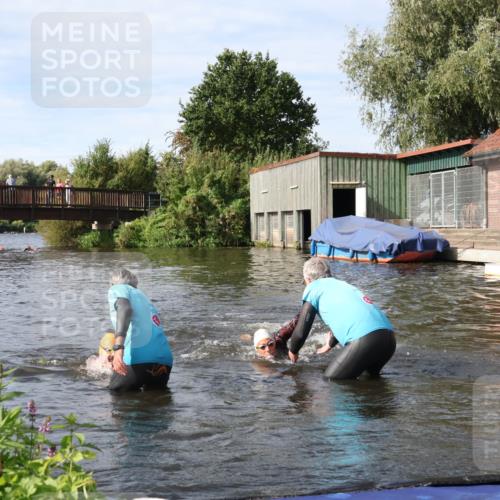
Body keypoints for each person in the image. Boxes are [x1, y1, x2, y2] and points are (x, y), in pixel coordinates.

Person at [287, 257, 396, 380]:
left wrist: (293, 350)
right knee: (370, 383)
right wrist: (330, 344)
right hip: (388, 339)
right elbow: (351, 316)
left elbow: (301, 332)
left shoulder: (313, 288)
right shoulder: (342, 285)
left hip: (366, 340)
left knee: (331, 380)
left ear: (307, 279)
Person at [107, 268, 173, 392]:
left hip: (137, 358)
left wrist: (118, 349)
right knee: (156, 404)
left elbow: (124, 309)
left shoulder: (118, 288)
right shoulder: (143, 297)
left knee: (119, 402)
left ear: (112, 283)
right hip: (164, 361)